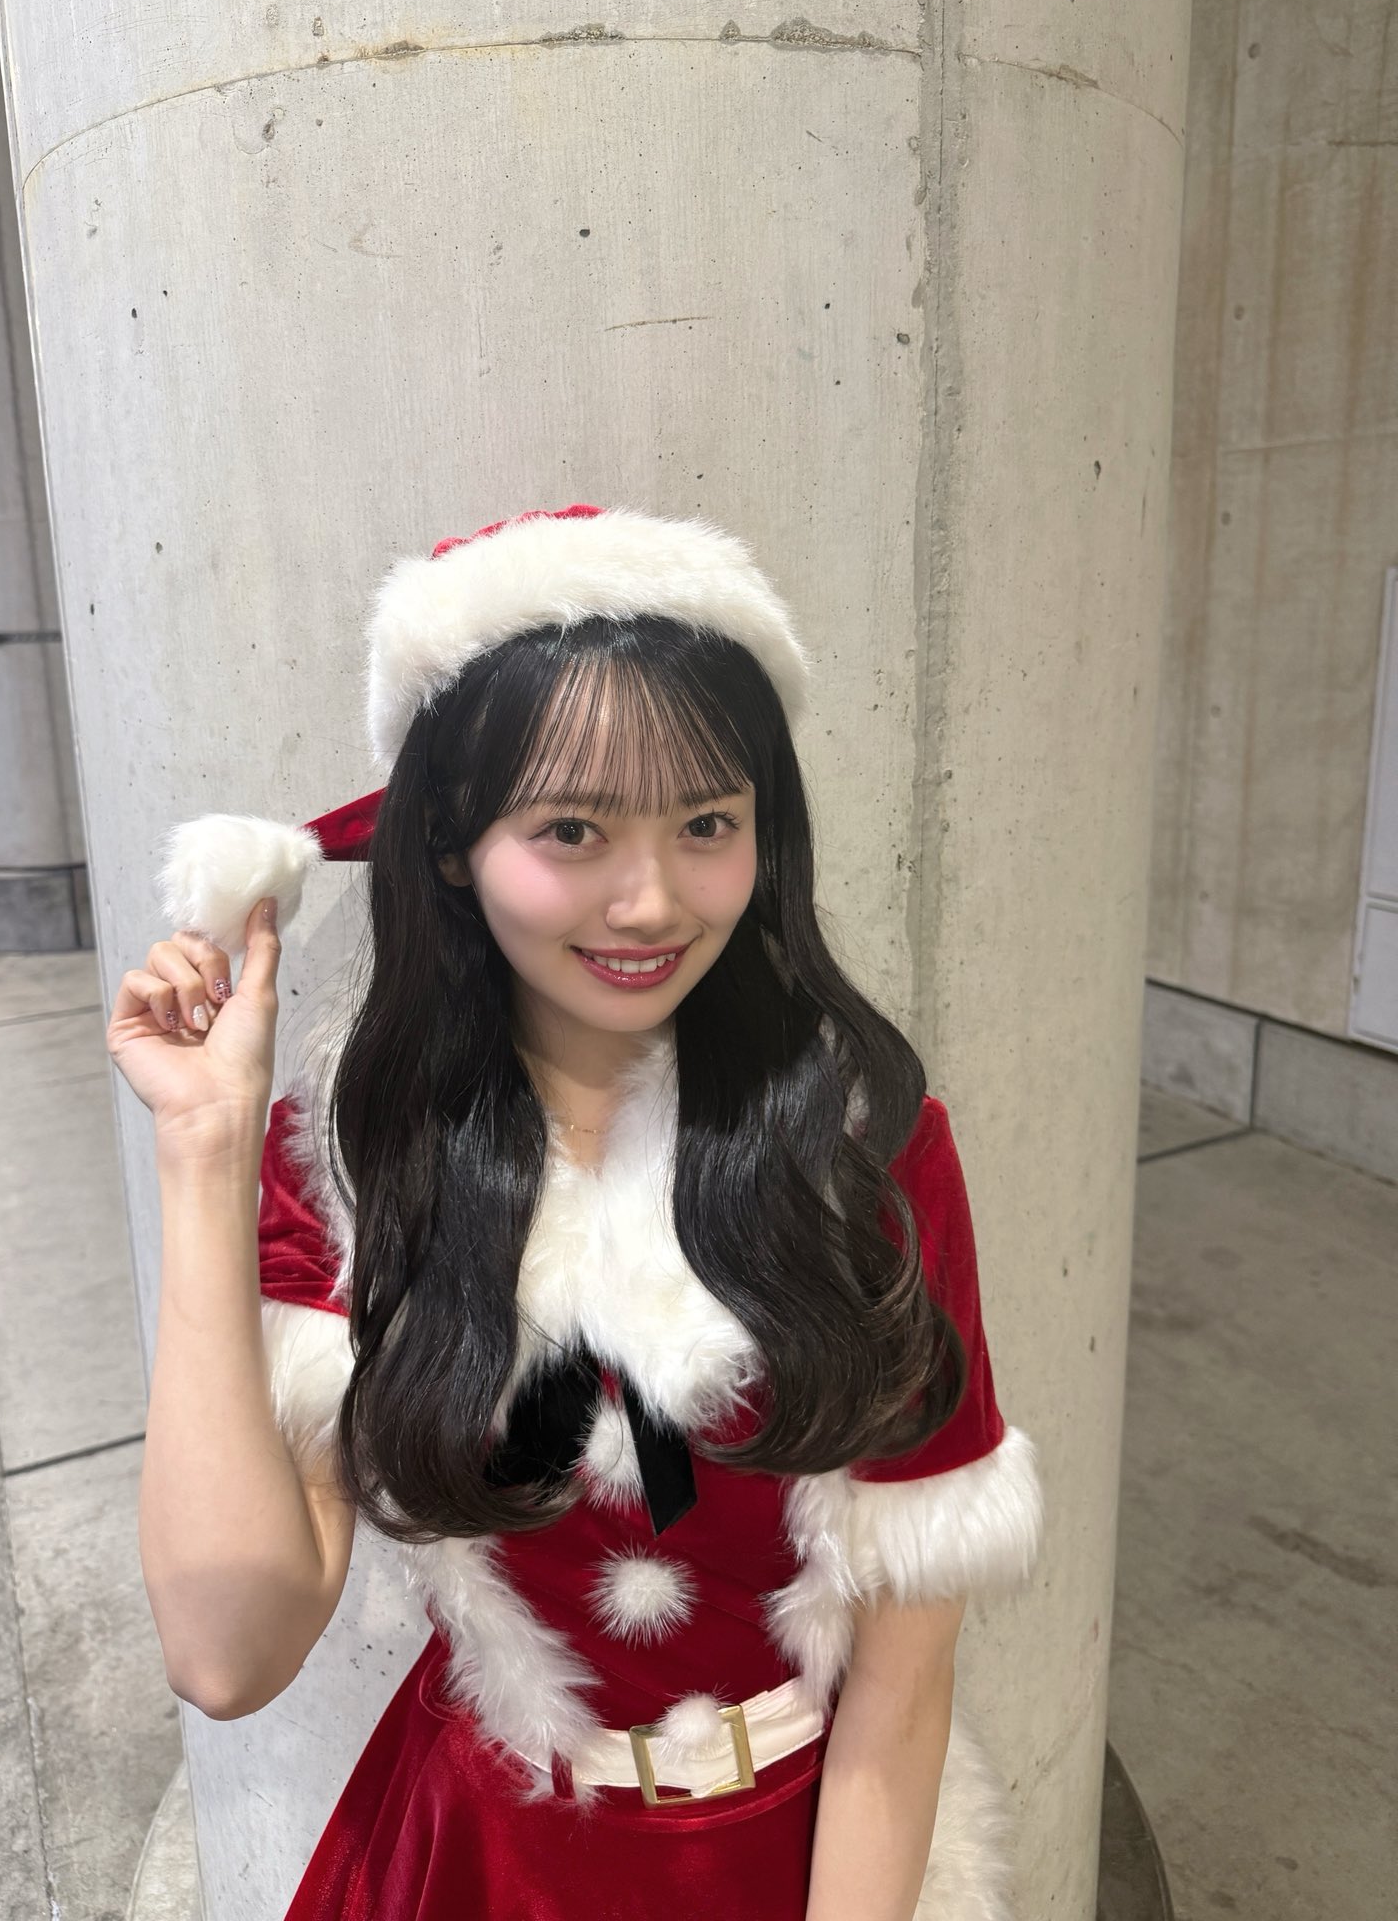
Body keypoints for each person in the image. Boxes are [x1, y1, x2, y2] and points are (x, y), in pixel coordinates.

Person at [107, 505, 1043, 1921]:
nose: (649, 899)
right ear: (451, 845)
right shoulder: (362, 1168)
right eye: (571, 830)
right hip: (490, 1856)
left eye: (706, 823)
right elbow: (229, 1655)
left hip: (794, 1850)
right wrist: (205, 1151)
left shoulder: (861, 1149)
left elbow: (905, 1688)